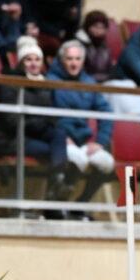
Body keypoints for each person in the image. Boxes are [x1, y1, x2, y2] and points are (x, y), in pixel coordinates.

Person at [0, 35, 73, 211]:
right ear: (21, 62)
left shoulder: (46, 84)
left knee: (59, 135)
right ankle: (54, 190)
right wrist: (39, 123)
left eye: (37, 59)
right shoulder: (12, 83)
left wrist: (45, 124)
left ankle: (58, 181)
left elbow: (52, 115)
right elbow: (10, 120)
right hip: (14, 137)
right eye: (28, 59)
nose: (34, 63)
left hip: (38, 133)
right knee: (52, 151)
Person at [47, 39, 114, 218]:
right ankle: (56, 206)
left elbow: (106, 111)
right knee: (78, 160)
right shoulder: (50, 81)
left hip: (83, 140)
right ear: (62, 60)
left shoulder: (88, 82)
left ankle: (80, 204)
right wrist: (60, 136)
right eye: (69, 59)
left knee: (106, 163)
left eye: (77, 59)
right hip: (60, 140)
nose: (74, 63)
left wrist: (101, 141)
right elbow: (45, 114)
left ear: (83, 61)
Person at [73, 10, 114, 82]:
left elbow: (109, 69)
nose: (99, 31)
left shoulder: (105, 47)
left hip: (104, 82)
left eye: (102, 27)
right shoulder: (77, 45)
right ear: (87, 27)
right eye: (95, 26)